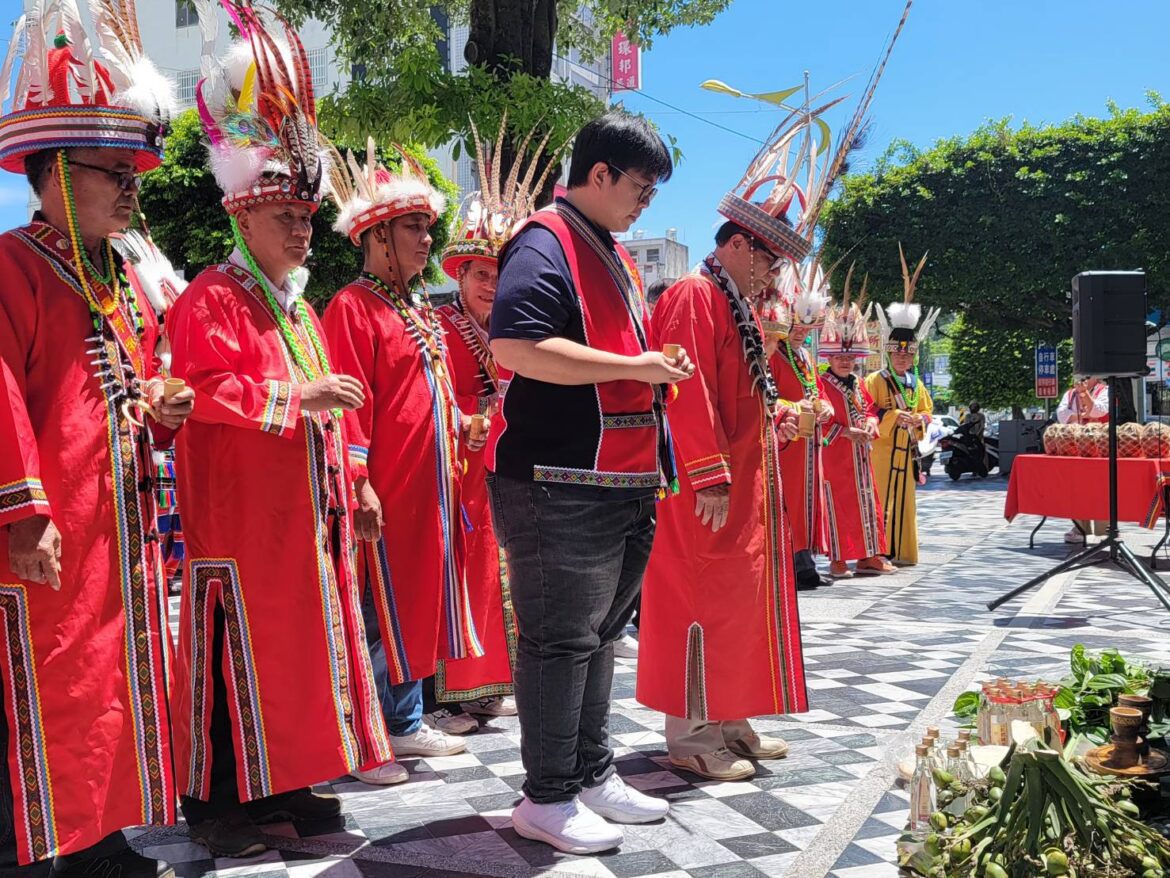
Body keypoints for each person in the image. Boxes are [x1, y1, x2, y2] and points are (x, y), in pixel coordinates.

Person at [167, 6, 392, 855]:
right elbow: (202, 386)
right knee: (236, 660)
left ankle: (290, 780)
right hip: (240, 522)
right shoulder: (211, 296)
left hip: (304, 519)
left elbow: (337, 401)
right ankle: (220, 802)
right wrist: (296, 402)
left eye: (306, 218)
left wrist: (358, 481)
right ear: (243, 217)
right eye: (285, 217)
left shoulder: (294, 307)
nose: (302, 230)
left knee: (300, 651)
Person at [0, 6, 195, 873]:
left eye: (134, 175)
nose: (130, 188)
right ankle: (36, 845)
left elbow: (133, 391)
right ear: (50, 172)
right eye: (112, 171)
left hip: (121, 528)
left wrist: (162, 405)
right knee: (53, 676)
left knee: (117, 674)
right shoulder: (12, 265)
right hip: (53, 529)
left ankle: (103, 831)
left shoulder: (118, 280)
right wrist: (21, 506)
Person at [487, 110, 692, 854]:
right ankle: (545, 797)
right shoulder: (546, 239)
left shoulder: (608, 250)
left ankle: (590, 772)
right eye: (639, 186)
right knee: (561, 639)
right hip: (557, 480)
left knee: (599, 635)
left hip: (617, 480)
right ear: (598, 174)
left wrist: (648, 367)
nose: (646, 203)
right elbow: (516, 344)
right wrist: (636, 365)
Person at [323, 142, 481, 777]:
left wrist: (460, 426)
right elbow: (348, 408)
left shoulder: (416, 306)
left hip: (428, 488)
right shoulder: (352, 307)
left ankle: (406, 720)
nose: (425, 239)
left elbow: (433, 392)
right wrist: (359, 482)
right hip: (386, 489)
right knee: (373, 607)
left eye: (426, 226)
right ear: (377, 233)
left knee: (410, 603)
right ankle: (366, 736)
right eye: (414, 227)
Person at [639, 210, 807, 782]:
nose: (774, 275)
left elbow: (743, 391)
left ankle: (732, 722)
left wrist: (777, 418)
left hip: (742, 481)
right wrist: (708, 473)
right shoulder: (694, 295)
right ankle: (691, 735)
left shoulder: (733, 301)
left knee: (736, 599)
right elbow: (687, 392)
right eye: (770, 260)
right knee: (698, 599)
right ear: (738, 244)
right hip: (703, 484)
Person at [426, 129, 559, 728]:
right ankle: (452, 688)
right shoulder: (439, 326)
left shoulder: (516, 330)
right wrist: (466, 419)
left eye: (499, 271)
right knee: (461, 571)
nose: (488, 282)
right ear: (459, 275)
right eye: (478, 271)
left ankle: (485, 681)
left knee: (498, 570)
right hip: (453, 470)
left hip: (505, 468)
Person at [817, 274, 896, 578]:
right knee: (838, 507)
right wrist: (846, 432)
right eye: (839, 357)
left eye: (849, 357)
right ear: (830, 357)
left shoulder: (860, 384)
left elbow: (871, 410)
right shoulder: (821, 384)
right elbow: (820, 422)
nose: (845, 361)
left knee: (867, 503)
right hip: (836, 458)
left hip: (861, 458)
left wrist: (873, 424)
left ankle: (868, 555)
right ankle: (837, 558)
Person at [867, 246, 940, 566]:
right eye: (897, 352)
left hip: (906, 453)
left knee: (904, 504)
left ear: (913, 355)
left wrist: (918, 421)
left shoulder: (916, 383)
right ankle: (878, 552)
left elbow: (927, 411)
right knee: (880, 501)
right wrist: (895, 416)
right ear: (888, 352)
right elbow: (867, 411)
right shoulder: (875, 380)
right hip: (881, 454)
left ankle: (903, 552)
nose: (902, 357)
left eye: (907, 354)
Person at [771, 263, 834, 589]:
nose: (801, 332)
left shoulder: (806, 359)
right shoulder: (774, 355)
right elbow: (769, 397)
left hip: (809, 445)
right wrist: (799, 407)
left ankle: (806, 563)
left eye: (808, 328)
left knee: (809, 503)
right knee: (791, 503)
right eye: (797, 325)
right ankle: (792, 566)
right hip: (788, 441)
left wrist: (825, 406)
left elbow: (819, 393)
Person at [1056, 378, 1109, 541]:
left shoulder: (1104, 390)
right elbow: (1061, 414)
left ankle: (1104, 528)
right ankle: (1080, 527)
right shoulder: (1070, 394)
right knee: (1078, 487)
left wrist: (1085, 396)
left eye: (1088, 375)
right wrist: (1077, 415)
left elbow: (1100, 410)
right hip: (1075, 447)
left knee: (1101, 487)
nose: (1083, 378)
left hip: (1099, 448)